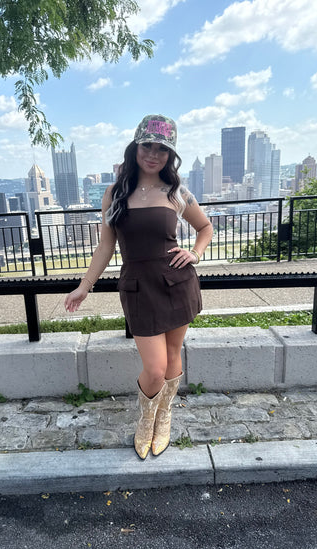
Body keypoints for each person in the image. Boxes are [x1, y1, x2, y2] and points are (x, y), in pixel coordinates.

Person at [65, 114, 213, 460]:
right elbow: (106, 245)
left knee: (173, 356)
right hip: (137, 286)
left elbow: (205, 228)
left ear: (170, 155)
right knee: (155, 367)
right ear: (135, 147)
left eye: (162, 149)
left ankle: (164, 416)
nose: (153, 154)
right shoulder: (115, 193)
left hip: (176, 282)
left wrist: (194, 253)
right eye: (147, 146)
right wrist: (85, 285)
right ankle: (146, 419)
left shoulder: (176, 192)